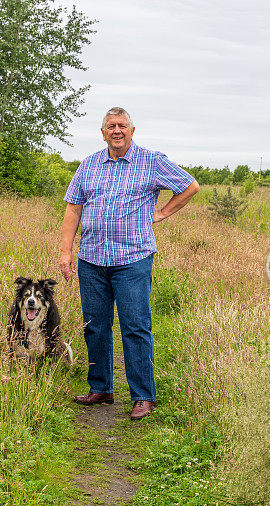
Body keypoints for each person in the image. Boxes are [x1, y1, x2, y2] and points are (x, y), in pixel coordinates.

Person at [59, 107, 199, 420]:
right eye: (111, 126)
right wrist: (66, 250)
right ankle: (101, 388)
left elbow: (190, 186)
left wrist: (162, 213)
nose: (117, 130)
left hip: (133, 259)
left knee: (135, 326)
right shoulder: (89, 165)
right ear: (103, 132)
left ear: (132, 131)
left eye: (123, 125)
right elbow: (73, 209)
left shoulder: (151, 161)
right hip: (92, 259)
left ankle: (142, 396)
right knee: (95, 326)